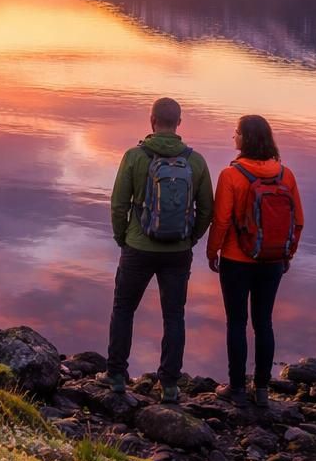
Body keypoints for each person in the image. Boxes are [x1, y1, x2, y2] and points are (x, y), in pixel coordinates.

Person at [107, 96, 214, 401]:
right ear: (179, 123)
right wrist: (191, 238)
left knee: (124, 308)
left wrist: (122, 237)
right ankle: (169, 384)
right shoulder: (196, 161)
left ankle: (116, 375)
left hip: (138, 248)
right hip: (178, 251)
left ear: (151, 121)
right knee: (174, 315)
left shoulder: (133, 156)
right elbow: (207, 209)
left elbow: (118, 205)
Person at [206, 114, 305, 407]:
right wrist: (288, 253)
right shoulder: (285, 175)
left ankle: (236, 389)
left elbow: (221, 221)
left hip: (237, 261)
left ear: (244, 139)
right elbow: (298, 221)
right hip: (272, 260)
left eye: (235, 132)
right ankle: (262, 390)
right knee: (264, 323)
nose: (233, 137)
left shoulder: (231, 175)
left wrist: (213, 252)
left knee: (236, 322)